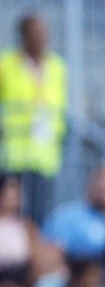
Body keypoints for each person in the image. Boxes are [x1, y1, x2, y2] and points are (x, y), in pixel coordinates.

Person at [0, 11, 67, 219]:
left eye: (44, 32)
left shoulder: (57, 66)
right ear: (23, 35)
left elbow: (59, 106)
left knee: (39, 214)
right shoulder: (6, 65)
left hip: (44, 154)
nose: (41, 37)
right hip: (13, 154)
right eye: (35, 32)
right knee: (11, 211)